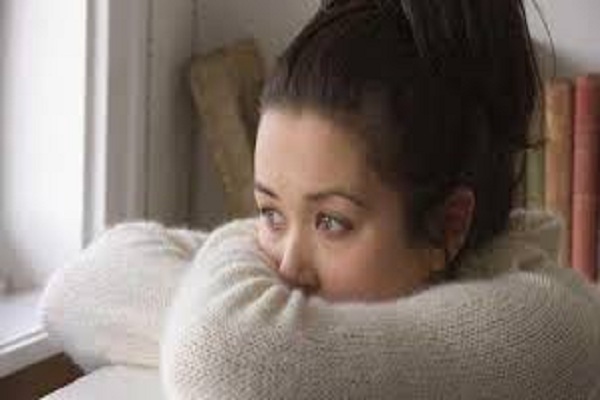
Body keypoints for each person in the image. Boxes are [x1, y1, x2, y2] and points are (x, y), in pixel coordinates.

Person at [160, 0, 600, 398]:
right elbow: (120, 261)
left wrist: (224, 274)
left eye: (331, 222)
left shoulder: (551, 330)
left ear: (446, 227)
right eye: (270, 213)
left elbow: (215, 357)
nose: (287, 269)